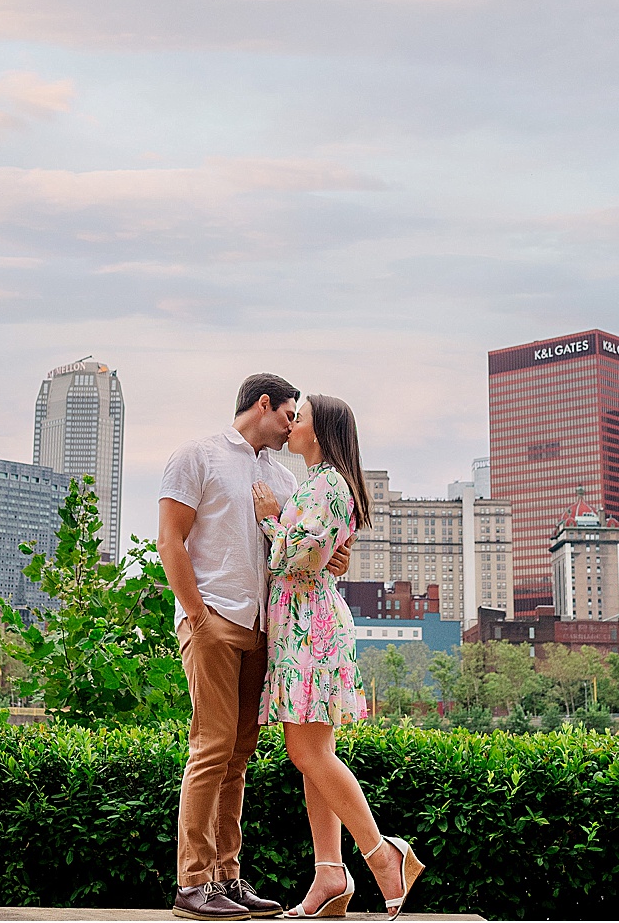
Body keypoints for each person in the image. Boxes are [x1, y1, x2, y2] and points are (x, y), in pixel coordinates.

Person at [160, 374, 353, 921]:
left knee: (239, 755)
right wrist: (196, 614)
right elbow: (169, 539)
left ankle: (226, 876)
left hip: (263, 627)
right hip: (214, 619)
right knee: (211, 747)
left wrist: (337, 560)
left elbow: (302, 549)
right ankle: (193, 883)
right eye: (289, 415)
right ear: (264, 405)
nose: (293, 426)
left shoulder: (283, 479)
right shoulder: (197, 455)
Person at [251, 394, 425, 919]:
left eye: (298, 418)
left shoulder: (329, 484)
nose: (290, 424)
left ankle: (381, 854)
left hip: (312, 627)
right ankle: (329, 873)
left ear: (320, 432)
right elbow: (319, 555)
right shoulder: (318, 482)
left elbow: (302, 560)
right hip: (300, 626)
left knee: (310, 754)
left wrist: (268, 519)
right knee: (311, 756)